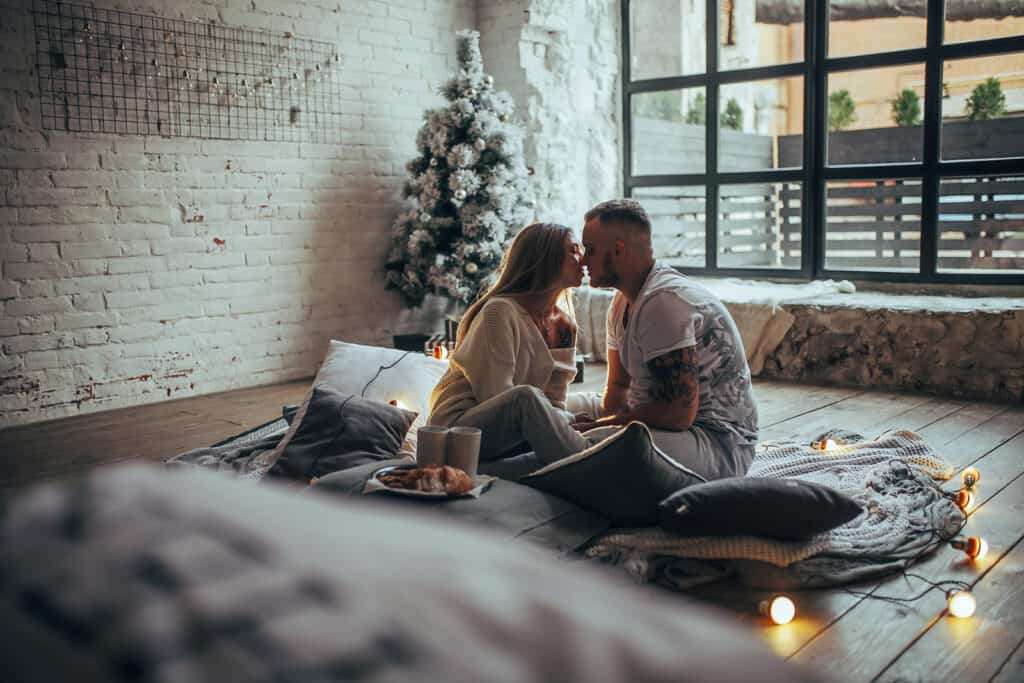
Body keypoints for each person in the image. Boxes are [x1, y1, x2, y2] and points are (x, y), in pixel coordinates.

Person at [574, 199, 758, 480]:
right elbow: (618, 385)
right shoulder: (621, 302)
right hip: (658, 422)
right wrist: (601, 422)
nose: (583, 259)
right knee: (557, 407)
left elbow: (677, 414)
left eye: (590, 250)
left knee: (595, 445)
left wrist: (601, 427)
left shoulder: (663, 304)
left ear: (619, 250)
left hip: (715, 443)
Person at [428, 222, 590, 467]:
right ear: (545, 258)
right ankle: (590, 463)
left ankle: (590, 455)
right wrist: (563, 421)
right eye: (573, 250)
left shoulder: (565, 326)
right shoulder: (499, 311)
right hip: (456, 432)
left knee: (592, 423)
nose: (583, 259)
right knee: (525, 397)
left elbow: (555, 401)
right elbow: (497, 396)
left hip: (510, 434)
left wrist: (560, 420)